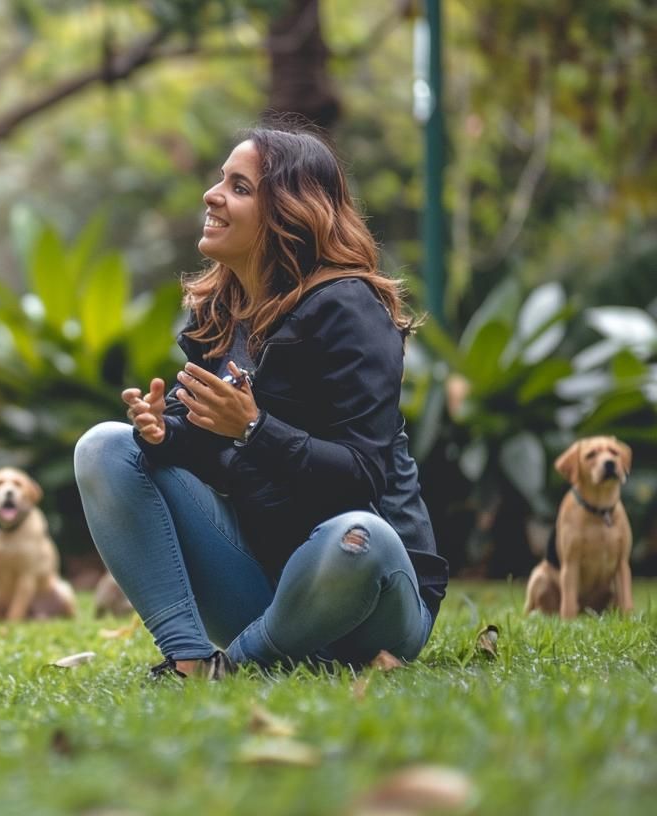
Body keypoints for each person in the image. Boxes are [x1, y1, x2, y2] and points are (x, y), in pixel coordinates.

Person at [73, 126, 448, 679]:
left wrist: (253, 427)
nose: (212, 194)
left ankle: (243, 662)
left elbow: (363, 476)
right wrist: (164, 432)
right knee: (104, 447)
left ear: (290, 213)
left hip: (370, 595)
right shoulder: (221, 312)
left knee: (360, 538)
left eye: (239, 186)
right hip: (264, 585)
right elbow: (205, 445)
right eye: (220, 179)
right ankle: (190, 662)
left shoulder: (348, 306)